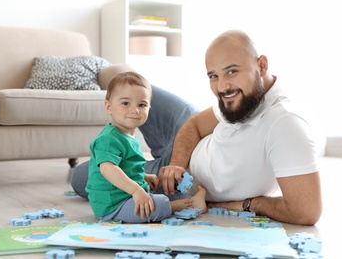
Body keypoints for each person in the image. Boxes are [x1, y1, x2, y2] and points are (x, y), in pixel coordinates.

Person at [72, 30, 322, 226]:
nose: (222, 87)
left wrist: (247, 203)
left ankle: (132, 157)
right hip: (184, 141)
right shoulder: (237, 96)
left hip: (180, 185)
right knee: (130, 83)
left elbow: (306, 211)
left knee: (83, 178)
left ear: (263, 65)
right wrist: (177, 164)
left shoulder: (285, 123)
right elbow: (194, 125)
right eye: (213, 76)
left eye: (232, 72)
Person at [84, 71, 207, 223]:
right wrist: (136, 190)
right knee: (157, 204)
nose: (135, 110)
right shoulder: (109, 138)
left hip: (125, 196)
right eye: (125, 103)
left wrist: (143, 177)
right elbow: (108, 169)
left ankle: (179, 200)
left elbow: (126, 168)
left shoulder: (130, 138)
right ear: (109, 107)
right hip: (113, 206)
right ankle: (188, 204)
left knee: (161, 192)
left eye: (142, 105)